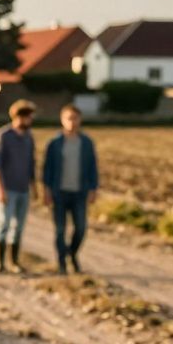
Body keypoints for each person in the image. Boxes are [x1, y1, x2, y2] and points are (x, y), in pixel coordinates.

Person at [42, 103, 99, 274]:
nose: (72, 122)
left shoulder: (87, 143)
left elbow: (92, 167)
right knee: (60, 230)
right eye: (69, 118)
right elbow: (47, 168)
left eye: (75, 118)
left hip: (79, 192)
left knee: (80, 228)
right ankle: (61, 263)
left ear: (80, 120)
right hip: (59, 192)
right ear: (62, 120)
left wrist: (93, 189)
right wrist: (46, 190)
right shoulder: (54, 143)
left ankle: (72, 254)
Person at [0, 100, 38, 274]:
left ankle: (14, 262)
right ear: (19, 117)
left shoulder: (28, 137)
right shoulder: (3, 136)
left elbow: (31, 164)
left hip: (23, 189)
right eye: (28, 117)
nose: (30, 120)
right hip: (7, 189)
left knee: (19, 227)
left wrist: (34, 187)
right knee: (3, 224)